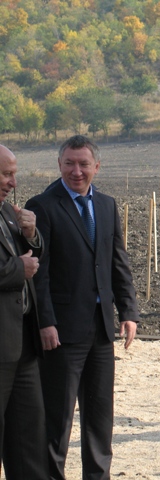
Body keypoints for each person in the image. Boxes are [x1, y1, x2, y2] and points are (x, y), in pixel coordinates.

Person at [26, 135, 140, 479]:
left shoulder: (106, 205)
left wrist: (129, 311)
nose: (77, 171)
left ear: (96, 167)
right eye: (69, 164)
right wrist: (46, 322)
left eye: (83, 164)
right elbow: (38, 274)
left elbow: (116, 262)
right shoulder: (43, 206)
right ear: (59, 165)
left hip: (101, 328)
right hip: (61, 331)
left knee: (100, 418)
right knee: (57, 420)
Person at [0, 145, 49, 479]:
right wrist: (17, 269)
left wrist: (32, 234)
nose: (13, 182)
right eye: (6, 174)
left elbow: (31, 255)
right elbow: (17, 266)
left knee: (29, 440)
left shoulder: (5, 211)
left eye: (14, 173)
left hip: (22, 345)